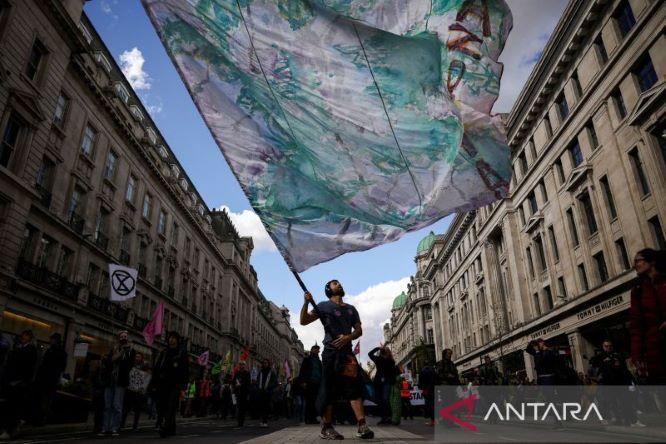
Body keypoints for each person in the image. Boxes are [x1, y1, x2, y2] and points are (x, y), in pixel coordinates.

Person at [300, 279, 374, 439]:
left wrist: (348, 337)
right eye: (334, 283)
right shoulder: (323, 306)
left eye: (339, 283)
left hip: (347, 354)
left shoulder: (351, 309)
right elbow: (304, 321)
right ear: (328, 289)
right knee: (329, 389)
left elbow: (359, 330)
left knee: (353, 388)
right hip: (330, 353)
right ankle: (326, 428)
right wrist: (306, 303)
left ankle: (362, 426)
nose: (339, 284)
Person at [630, 248, 666, 384]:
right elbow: (636, 326)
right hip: (656, 356)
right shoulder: (637, 291)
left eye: (638, 261)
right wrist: (637, 357)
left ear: (651, 261)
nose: (635, 265)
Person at [590, 340, 643, 427]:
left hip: (620, 382)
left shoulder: (617, 356)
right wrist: (602, 364)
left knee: (626, 401)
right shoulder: (600, 357)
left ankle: (632, 421)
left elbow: (625, 369)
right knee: (612, 402)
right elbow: (594, 365)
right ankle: (617, 419)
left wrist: (632, 381)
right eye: (606, 346)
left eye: (610, 346)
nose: (608, 348)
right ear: (603, 347)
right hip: (608, 384)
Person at [0, 330, 38, 440]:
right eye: (23, 336)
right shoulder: (19, 348)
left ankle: (10, 429)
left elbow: (27, 367)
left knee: (14, 407)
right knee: (10, 406)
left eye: (25, 336)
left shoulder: (30, 350)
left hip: (19, 382)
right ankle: (9, 428)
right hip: (12, 381)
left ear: (29, 338)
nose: (23, 338)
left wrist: (21, 380)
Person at [152, 331, 189, 437]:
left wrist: (183, 387)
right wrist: (154, 382)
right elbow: (157, 367)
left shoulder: (181, 353)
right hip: (163, 383)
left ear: (177, 340)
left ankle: (164, 427)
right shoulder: (164, 352)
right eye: (170, 338)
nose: (171, 340)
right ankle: (171, 429)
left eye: (173, 338)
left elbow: (185, 370)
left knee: (171, 406)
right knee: (162, 405)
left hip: (175, 384)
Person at [100, 330, 136, 436]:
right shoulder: (113, 349)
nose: (123, 338)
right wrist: (113, 356)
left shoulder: (131, 351)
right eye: (121, 336)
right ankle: (105, 428)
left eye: (125, 336)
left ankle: (114, 428)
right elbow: (108, 362)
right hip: (110, 381)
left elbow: (129, 365)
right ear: (118, 338)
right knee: (107, 406)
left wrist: (119, 355)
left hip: (120, 381)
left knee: (117, 406)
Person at [33, 333, 67, 425]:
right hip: (47, 378)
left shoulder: (58, 352)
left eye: (52, 339)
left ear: (56, 340)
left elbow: (61, 367)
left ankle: (43, 418)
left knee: (46, 400)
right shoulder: (52, 350)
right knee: (44, 399)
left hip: (50, 379)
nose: (50, 340)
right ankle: (41, 418)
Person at [368, 346, 399, 425]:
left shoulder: (390, 361)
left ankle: (388, 417)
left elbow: (395, 372)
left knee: (385, 399)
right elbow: (370, 354)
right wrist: (377, 348)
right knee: (380, 400)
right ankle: (384, 417)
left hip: (386, 383)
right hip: (378, 383)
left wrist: (378, 348)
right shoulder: (378, 359)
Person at [122, 352, 151, 431]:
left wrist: (143, 388)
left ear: (141, 358)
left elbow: (147, 376)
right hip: (130, 390)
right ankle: (122, 423)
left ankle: (135, 425)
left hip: (138, 391)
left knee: (137, 409)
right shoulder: (131, 364)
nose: (137, 358)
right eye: (136, 357)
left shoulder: (144, 366)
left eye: (139, 357)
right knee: (126, 408)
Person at [299, 344, 323, 424]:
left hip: (317, 383)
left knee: (315, 401)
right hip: (309, 383)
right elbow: (302, 371)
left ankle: (313, 418)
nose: (317, 351)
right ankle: (308, 419)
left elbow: (321, 372)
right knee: (309, 401)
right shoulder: (307, 359)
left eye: (318, 350)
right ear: (312, 350)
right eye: (316, 349)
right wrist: (303, 382)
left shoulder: (319, 361)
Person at [257, 359, 277, 427]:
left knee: (266, 407)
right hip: (261, 391)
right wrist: (258, 387)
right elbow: (258, 380)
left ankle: (265, 421)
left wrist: (269, 387)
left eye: (266, 363)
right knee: (261, 407)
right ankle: (261, 420)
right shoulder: (260, 372)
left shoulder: (271, 372)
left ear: (268, 364)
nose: (265, 364)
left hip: (267, 392)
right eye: (263, 363)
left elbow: (275, 382)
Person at [418, 361, 437, 426]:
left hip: (427, 389)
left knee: (430, 405)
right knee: (434, 404)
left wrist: (421, 388)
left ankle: (433, 421)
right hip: (433, 388)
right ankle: (435, 420)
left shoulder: (422, 371)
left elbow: (420, 381)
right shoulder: (433, 370)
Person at [233, 362, 251, 427]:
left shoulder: (247, 373)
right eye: (240, 365)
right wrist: (235, 385)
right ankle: (239, 421)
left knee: (243, 408)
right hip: (238, 392)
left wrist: (241, 384)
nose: (241, 366)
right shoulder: (237, 373)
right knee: (238, 407)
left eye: (242, 365)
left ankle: (241, 421)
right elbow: (234, 381)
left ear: (244, 366)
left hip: (244, 392)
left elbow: (248, 382)